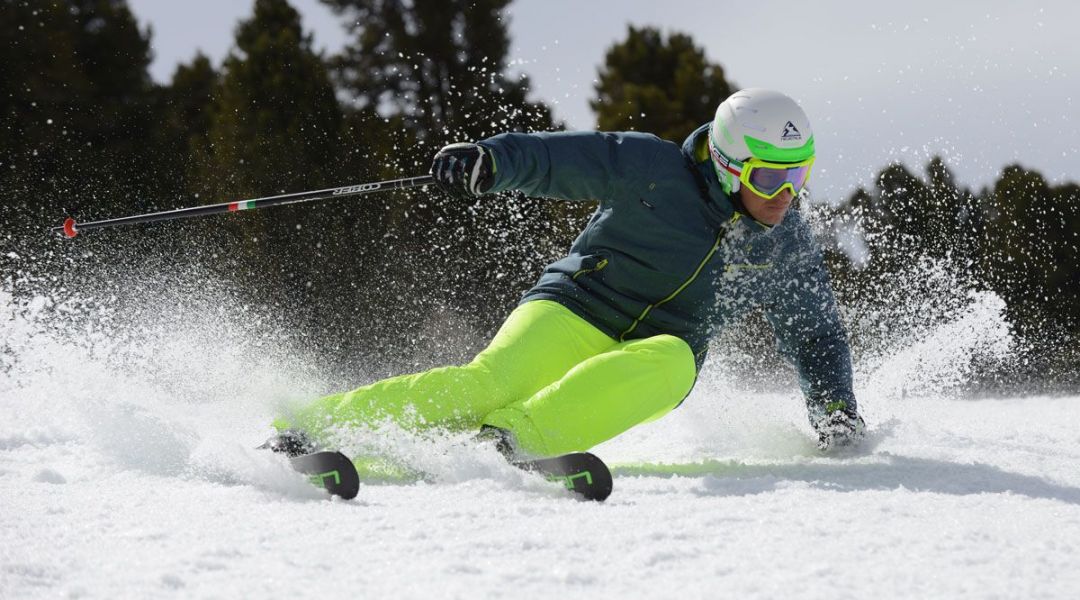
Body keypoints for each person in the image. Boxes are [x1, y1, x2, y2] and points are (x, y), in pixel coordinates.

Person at [271, 88, 865, 459]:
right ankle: (309, 430)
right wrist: (492, 160)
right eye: (770, 178)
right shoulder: (652, 167)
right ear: (731, 165)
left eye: (800, 175)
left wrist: (835, 409)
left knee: (677, 363)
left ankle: (511, 441)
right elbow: (561, 158)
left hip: (660, 348)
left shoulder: (785, 240)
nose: (786, 195)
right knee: (490, 385)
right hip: (576, 306)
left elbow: (814, 331)